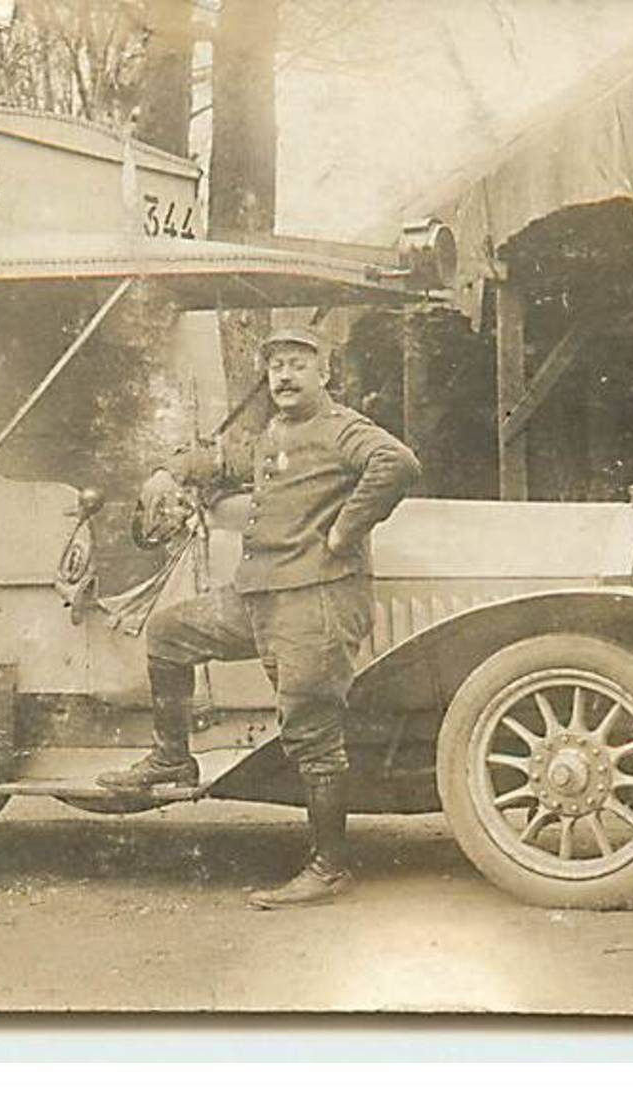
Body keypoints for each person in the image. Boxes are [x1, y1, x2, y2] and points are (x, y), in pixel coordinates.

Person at [97, 325, 421, 908]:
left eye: (299, 364)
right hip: (261, 597)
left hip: (315, 602)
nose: (285, 376)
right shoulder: (278, 430)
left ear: (325, 374)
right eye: (276, 367)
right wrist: (170, 471)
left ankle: (329, 866)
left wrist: (347, 529)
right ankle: (174, 758)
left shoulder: (342, 428)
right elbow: (227, 459)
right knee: (170, 633)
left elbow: (396, 463)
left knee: (310, 731)